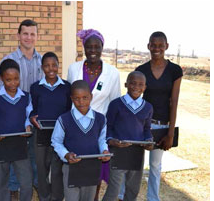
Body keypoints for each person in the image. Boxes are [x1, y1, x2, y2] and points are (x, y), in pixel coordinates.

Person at [119, 31, 183, 201]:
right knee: (131, 161)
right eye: (153, 45)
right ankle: (122, 195)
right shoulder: (141, 70)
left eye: (160, 45)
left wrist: (170, 133)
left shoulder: (175, 71)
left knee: (155, 165)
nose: (157, 48)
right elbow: (133, 99)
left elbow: (174, 102)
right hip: (140, 124)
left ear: (166, 46)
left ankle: (153, 198)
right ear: (148, 46)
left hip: (161, 125)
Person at [67, 29, 121, 200]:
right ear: (84, 48)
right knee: (77, 166)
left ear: (102, 48)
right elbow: (70, 98)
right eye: (89, 47)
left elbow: (115, 104)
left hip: (98, 129)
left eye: (97, 47)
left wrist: (111, 133)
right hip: (76, 126)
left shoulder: (112, 73)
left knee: (95, 171)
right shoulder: (73, 68)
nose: (93, 51)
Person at [0, 19, 42, 198]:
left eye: (32, 34)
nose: (28, 37)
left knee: (33, 155)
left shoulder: (43, 61)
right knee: (14, 155)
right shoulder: (8, 61)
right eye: (25, 33)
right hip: (13, 119)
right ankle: (14, 190)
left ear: (37, 36)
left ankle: (32, 185)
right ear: (18, 35)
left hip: (34, 118)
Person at [51, 80, 111, 201]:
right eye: (77, 98)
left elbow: (102, 139)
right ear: (72, 98)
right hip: (71, 168)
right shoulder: (64, 119)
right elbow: (56, 141)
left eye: (85, 97)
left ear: (91, 97)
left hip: (92, 167)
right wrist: (66, 154)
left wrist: (104, 150)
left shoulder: (100, 119)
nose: (81, 102)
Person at [0, 59, 33, 201]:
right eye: (8, 80)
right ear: (1, 79)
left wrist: (28, 125)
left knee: (26, 182)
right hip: (1, 145)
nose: (13, 83)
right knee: (2, 182)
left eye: (16, 79)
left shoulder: (26, 97)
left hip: (20, 145)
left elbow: (29, 116)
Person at [102, 71, 154, 201]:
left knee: (133, 189)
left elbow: (147, 129)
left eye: (140, 84)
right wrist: (111, 141)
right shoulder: (116, 104)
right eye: (133, 83)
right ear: (126, 84)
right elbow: (108, 127)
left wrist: (149, 140)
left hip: (137, 153)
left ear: (145, 87)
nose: (136, 87)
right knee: (113, 190)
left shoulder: (148, 107)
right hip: (118, 152)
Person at [29, 52, 72, 201]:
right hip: (41, 135)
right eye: (47, 66)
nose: (51, 69)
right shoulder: (35, 88)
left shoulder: (66, 87)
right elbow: (32, 109)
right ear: (42, 68)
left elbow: (69, 110)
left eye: (54, 65)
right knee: (42, 169)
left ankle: (57, 197)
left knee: (57, 170)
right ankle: (44, 197)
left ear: (58, 65)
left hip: (60, 135)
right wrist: (31, 118)